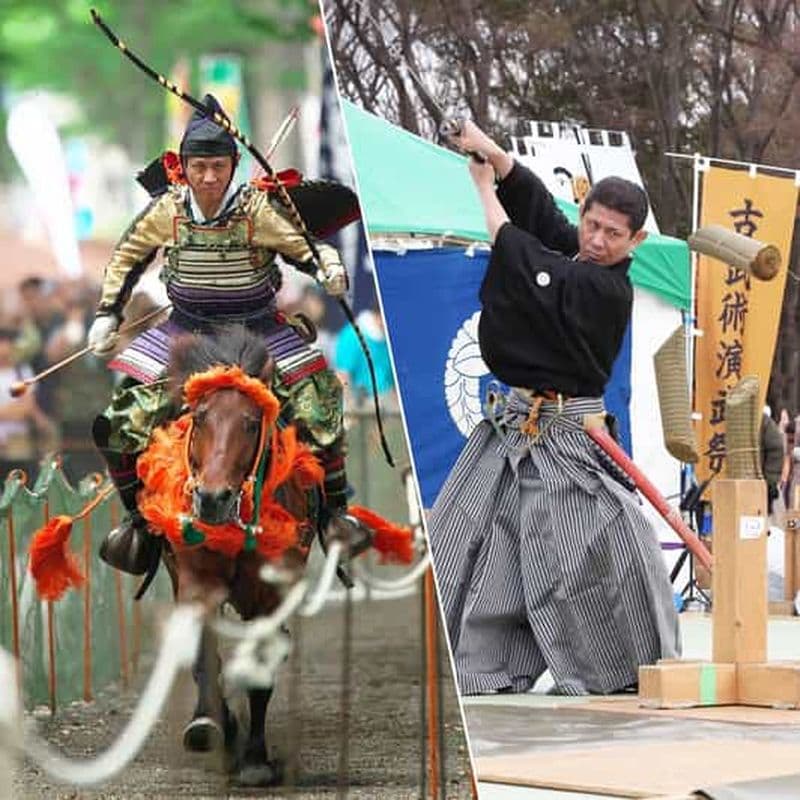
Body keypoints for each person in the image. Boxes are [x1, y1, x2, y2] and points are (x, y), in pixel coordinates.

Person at [430, 120, 680, 696]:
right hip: (511, 425)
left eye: (612, 234)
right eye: (591, 224)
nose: (596, 240)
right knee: (462, 531)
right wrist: (493, 153)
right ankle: (475, 662)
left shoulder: (604, 289)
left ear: (634, 241)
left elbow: (518, 250)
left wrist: (482, 188)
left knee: (597, 547)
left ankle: (619, 665)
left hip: (568, 433)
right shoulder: (581, 251)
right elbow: (541, 214)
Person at [87, 95, 354, 578]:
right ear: (183, 168)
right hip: (184, 332)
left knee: (321, 406)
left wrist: (329, 270)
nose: (208, 178)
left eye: (217, 166)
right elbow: (127, 257)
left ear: (233, 167)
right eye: (199, 167)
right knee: (117, 419)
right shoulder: (166, 208)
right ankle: (139, 525)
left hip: (258, 329)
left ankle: (335, 516)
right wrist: (108, 312)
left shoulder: (258, 207)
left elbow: (305, 248)